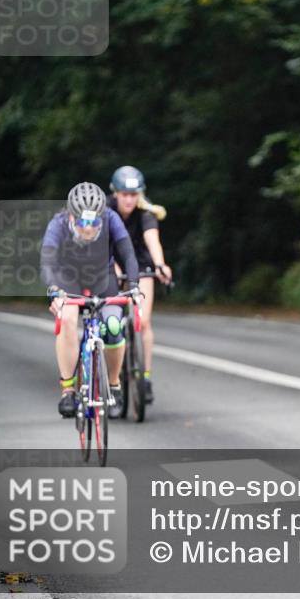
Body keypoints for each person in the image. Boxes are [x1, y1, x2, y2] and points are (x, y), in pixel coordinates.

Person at [41, 182, 140, 419]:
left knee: (113, 325)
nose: (88, 229)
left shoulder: (111, 218)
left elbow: (128, 254)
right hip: (68, 277)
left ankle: (114, 386)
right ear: (71, 217)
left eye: (94, 222)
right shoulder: (58, 223)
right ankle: (68, 391)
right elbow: (48, 262)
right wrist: (54, 289)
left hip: (102, 276)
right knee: (67, 319)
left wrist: (134, 285)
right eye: (83, 222)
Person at [107, 165, 172, 405]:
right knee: (112, 325)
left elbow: (152, 240)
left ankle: (145, 377)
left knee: (143, 321)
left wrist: (160, 265)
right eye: (124, 194)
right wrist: (111, 268)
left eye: (133, 195)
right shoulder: (106, 210)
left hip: (141, 265)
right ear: (115, 193)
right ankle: (114, 377)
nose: (129, 200)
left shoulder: (145, 212)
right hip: (113, 263)